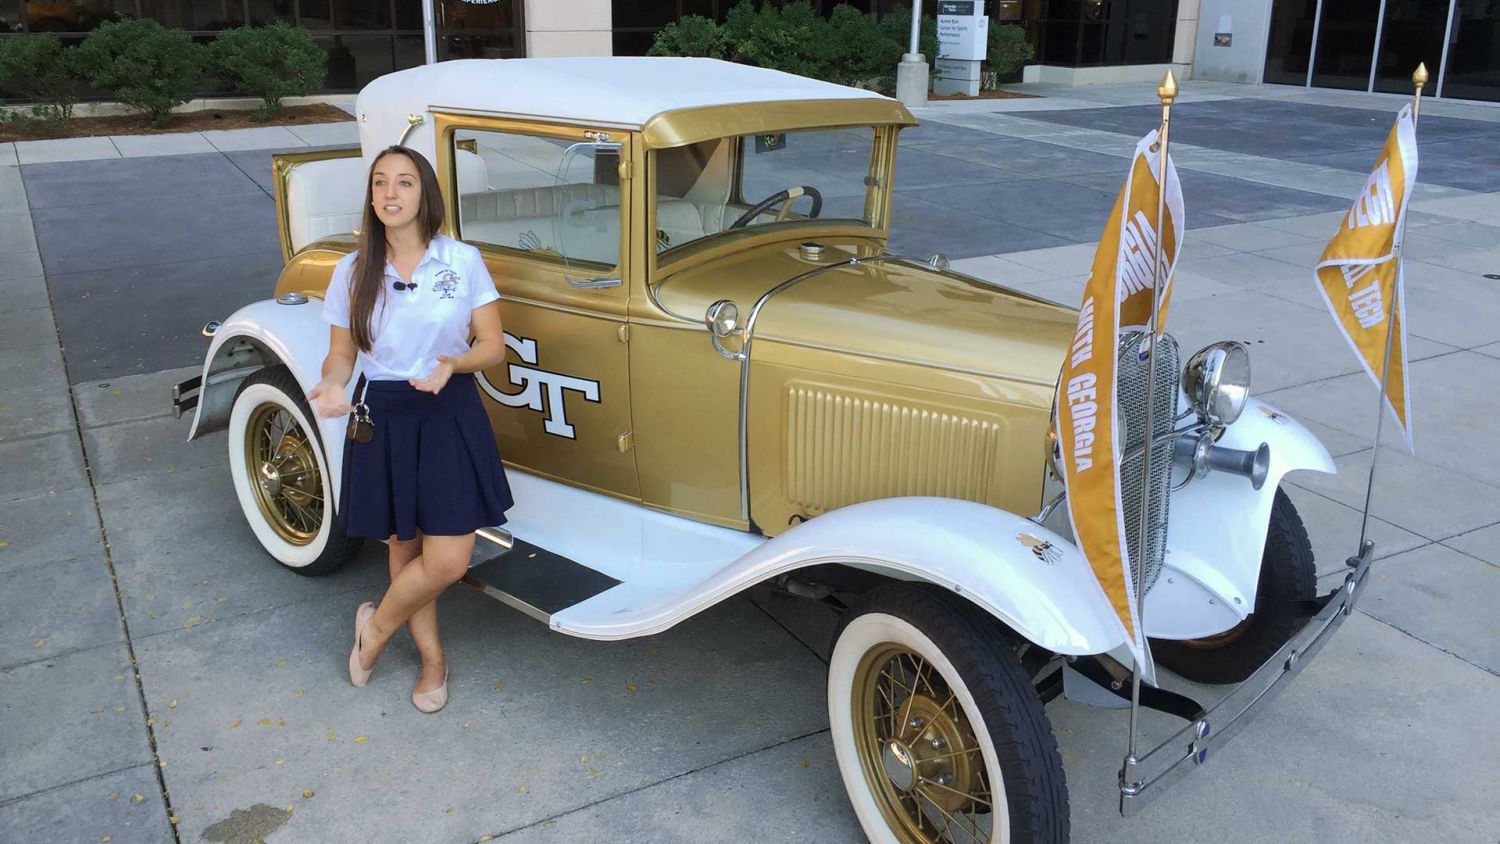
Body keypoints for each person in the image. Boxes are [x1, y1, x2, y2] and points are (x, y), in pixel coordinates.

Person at [307, 144, 512, 713]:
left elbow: (492, 345)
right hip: (386, 414)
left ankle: (375, 630)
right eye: (380, 184)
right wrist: (332, 384)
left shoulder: (462, 261)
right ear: (371, 197)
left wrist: (453, 363)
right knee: (405, 548)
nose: (390, 194)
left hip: (448, 411)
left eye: (403, 183)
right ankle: (432, 662)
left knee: (448, 559)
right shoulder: (352, 270)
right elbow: (342, 355)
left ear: (425, 194)